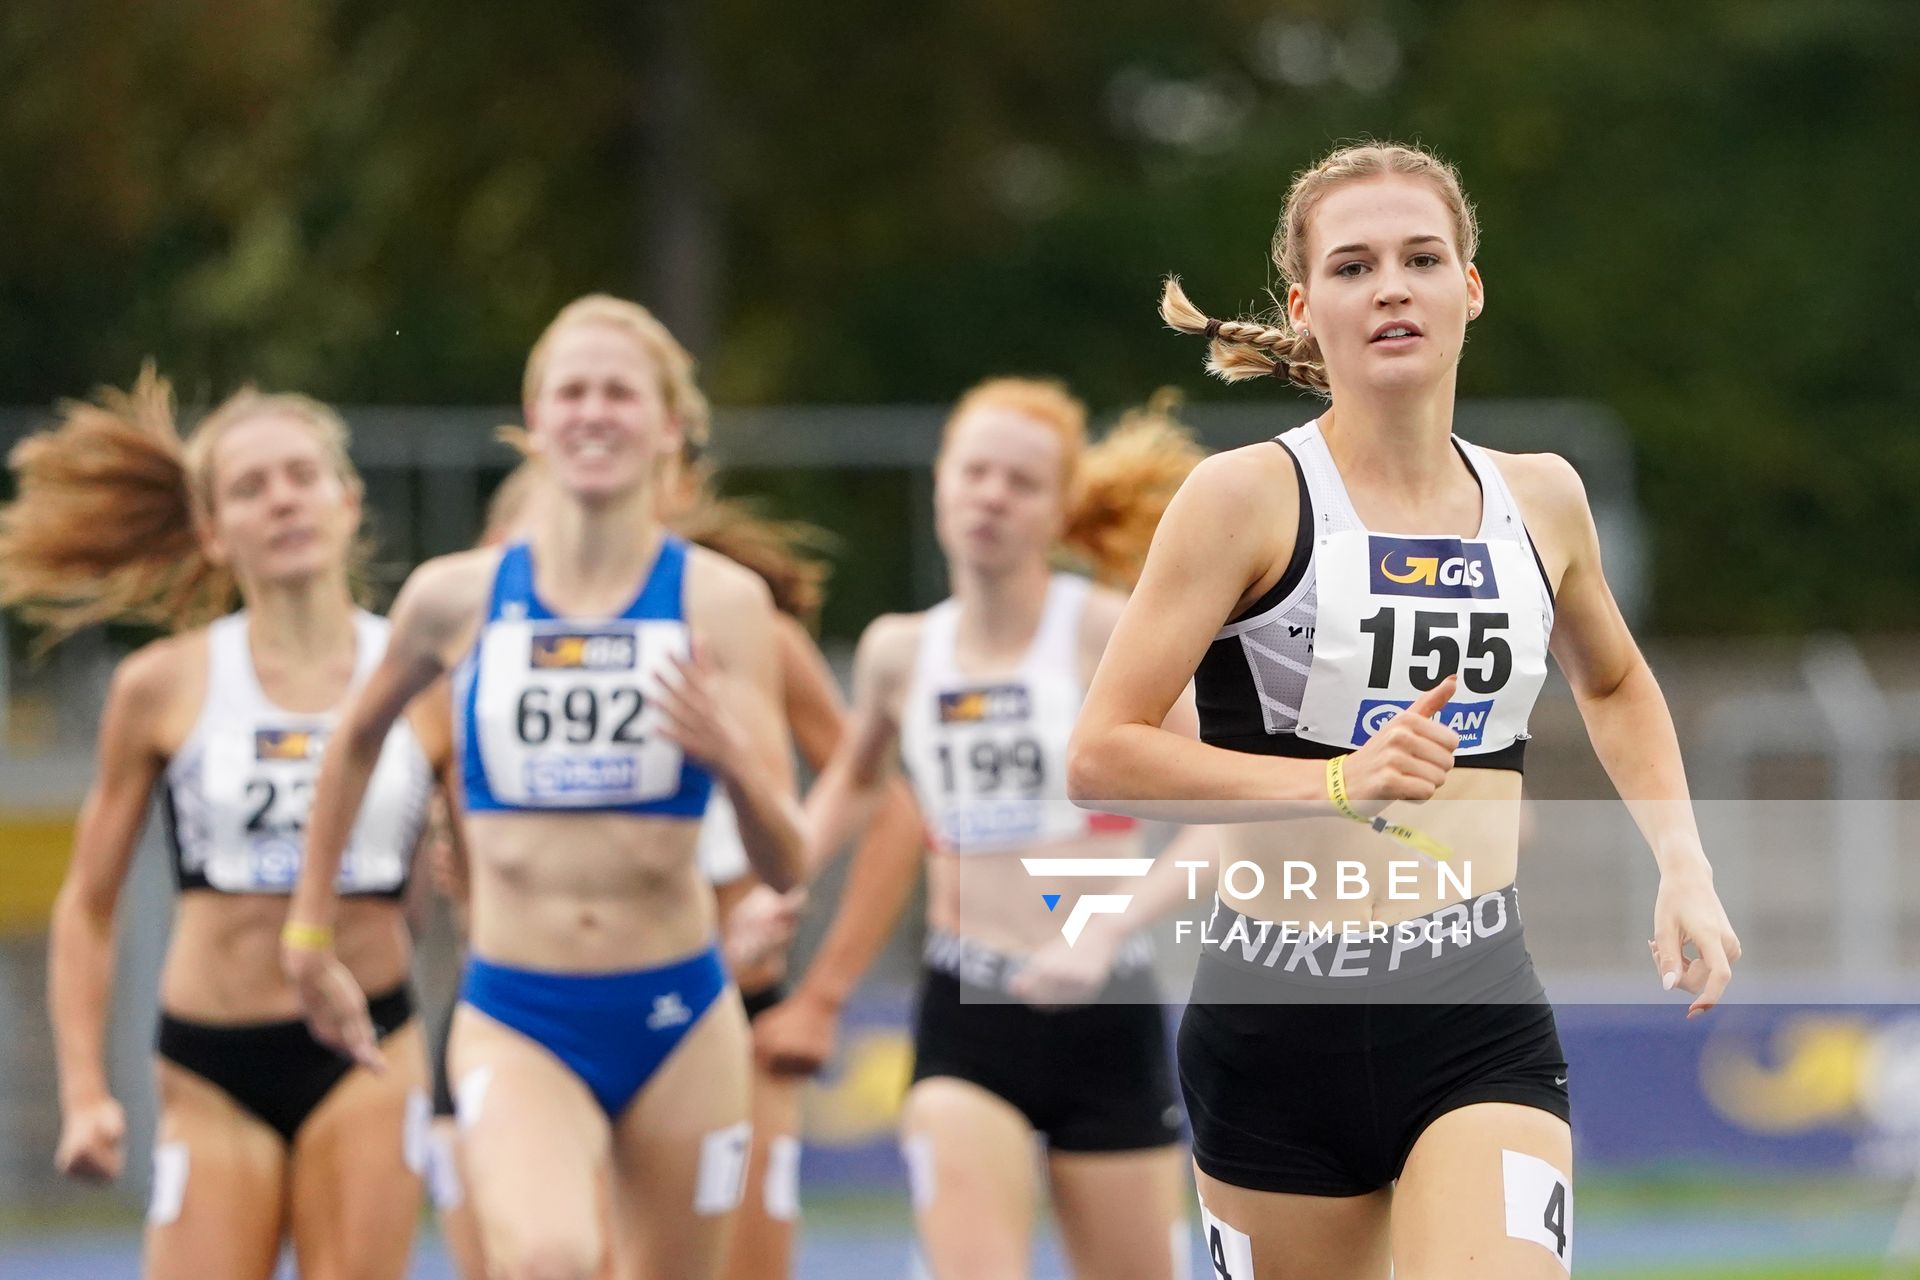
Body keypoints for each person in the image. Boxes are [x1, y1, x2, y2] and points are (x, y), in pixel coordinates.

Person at [1066, 141, 1743, 1279]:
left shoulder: (1542, 497)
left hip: (1471, 1001)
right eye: (1354, 264)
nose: (1392, 285)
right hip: (1273, 1016)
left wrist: (1684, 858)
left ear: (1469, 290)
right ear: (1305, 304)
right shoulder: (1243, 498)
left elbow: (1616, 680)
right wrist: (1333, 780)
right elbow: (1102, 755)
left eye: (1423, 258)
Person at [283, 294, 806, 1280]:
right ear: (534, 419)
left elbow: (790, 859)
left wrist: (731, 754)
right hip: (518, 1012)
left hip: (682, 1015)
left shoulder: (721, 603)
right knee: (553, 1258)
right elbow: (352, 742)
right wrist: (307, 929)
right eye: (571, 390)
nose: (594, 411)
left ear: (667, 428)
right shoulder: (456, 595)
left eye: (620, 391)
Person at [758, 377, 1208, 1280]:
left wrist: (1107, 927)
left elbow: (1228, 823)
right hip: (967, 1007)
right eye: (975, 473)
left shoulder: (1105, 636)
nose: (992, 496)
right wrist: (780, 882)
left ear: (1057, 510)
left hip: (1103, 1003)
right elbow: (850, 781)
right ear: (940, 484)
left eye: (1020, 482)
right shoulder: (899, 652)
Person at [5, 368, 449, 1279]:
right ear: (212, 532)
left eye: (301, 475)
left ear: (348, 499)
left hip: (369, 1053)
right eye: (249, 488)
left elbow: (501, 882)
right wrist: (86, 1089)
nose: (281, 500)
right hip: (211, 1064)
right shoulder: (161, 687)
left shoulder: (428, 680)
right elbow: (88, 905)